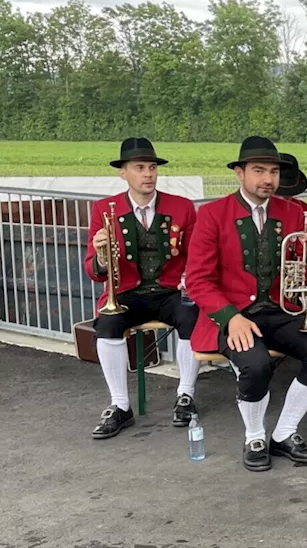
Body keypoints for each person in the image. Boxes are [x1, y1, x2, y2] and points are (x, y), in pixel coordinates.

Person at [186, 136, 307, 472]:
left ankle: (284, 433)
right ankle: (254, 435)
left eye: (273, 172)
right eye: (258, 171)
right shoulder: (211, 214)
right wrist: (230, 318)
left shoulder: (294, 213)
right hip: (232, 314)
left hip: (281, 311)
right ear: (239, 173)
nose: (268, 179)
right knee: (256, 365)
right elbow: (197, 279)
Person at [85, 138, 201, 438]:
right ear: (123, 173)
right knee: (108, 324)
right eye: (139, 168)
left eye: (152, 167)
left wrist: (189, 278)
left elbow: (196, 254)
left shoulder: (182, 207)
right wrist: (100, 255)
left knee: (191, 314)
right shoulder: (103, 209)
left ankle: (185, 394)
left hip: (171, 290)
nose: (148, 174)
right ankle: (120, 406)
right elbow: (93, 270)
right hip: (127, 293)